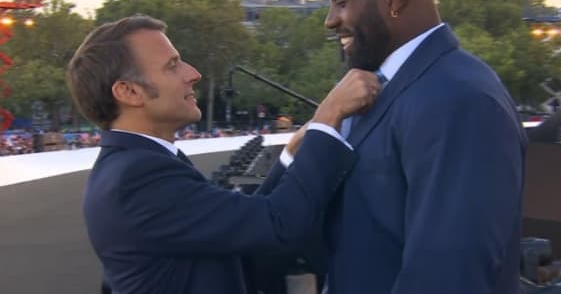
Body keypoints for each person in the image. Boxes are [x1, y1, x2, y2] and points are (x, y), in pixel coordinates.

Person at [276, 0, 528, 294]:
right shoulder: (391, 88)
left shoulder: (459, 99)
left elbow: (447, 279)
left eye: (341, 1)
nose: (330, 20)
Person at [66, 15, 382, 294]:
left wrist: (290, 156)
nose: (193, 73)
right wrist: (329, 116)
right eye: (172, 65)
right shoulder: (138, 178)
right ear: (129, 92)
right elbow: (279, 226)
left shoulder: (134, 166)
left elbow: (242, 228)